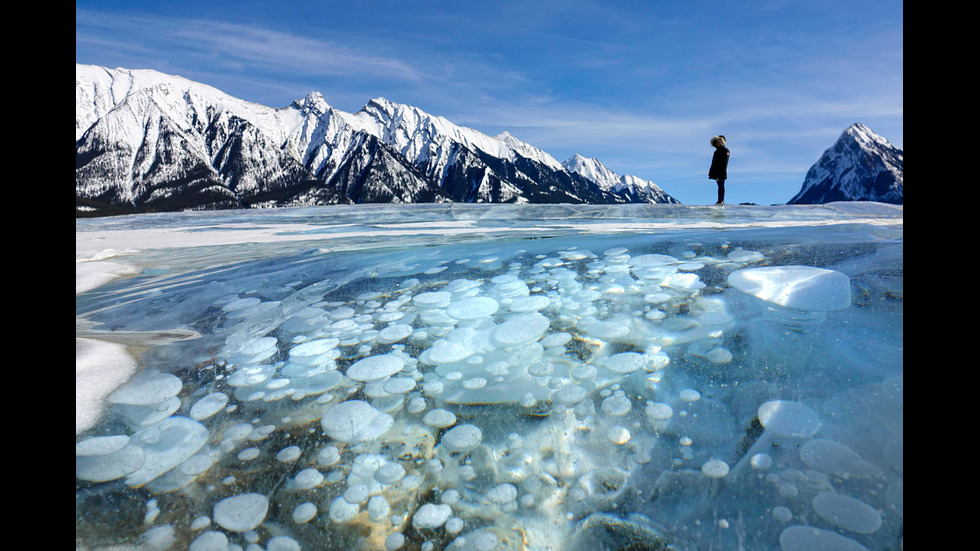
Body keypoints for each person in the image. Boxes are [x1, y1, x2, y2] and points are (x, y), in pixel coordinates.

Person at [709, 135, 730, 204]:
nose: (717, 143)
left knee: (721, 185)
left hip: (721, 172)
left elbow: (724, 163)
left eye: (718, 142)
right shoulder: (716, 152)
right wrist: (712, 173)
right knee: (719, 185)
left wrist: (721, 173)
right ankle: (719, 199)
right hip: (716, 172)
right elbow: (713, 163)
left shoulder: (725, 151)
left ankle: (721, 200)